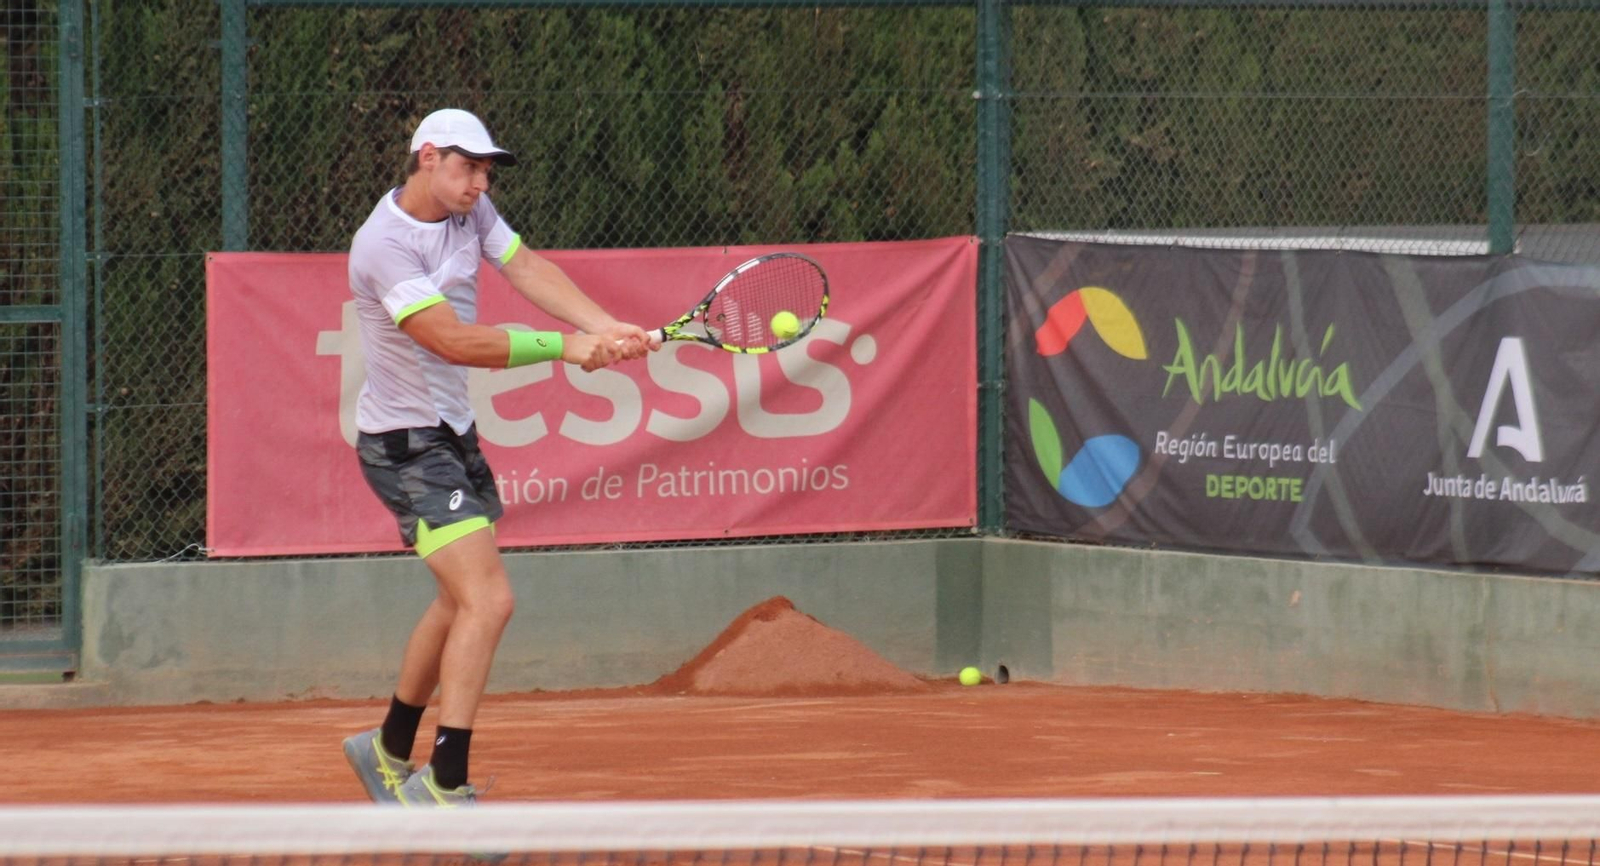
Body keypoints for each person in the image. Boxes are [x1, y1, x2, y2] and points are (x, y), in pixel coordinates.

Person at [340, 108, 655, 807]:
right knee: (490, 599)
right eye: (466, 167)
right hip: (406, 448)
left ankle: (387, 749)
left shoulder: (470, 212)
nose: (479, 182)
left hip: (452, 432)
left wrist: (603, 327)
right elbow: (449, 340)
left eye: (486, 170)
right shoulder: (383, 245)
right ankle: (444, 785)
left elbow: (527, 267)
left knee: (459, 602)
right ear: (426, 157)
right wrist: (562, 348)